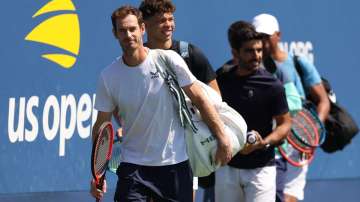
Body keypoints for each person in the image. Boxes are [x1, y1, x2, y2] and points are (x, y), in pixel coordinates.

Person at [89, 5, 232, 202]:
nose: (128, 35)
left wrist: (222, 136)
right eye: (122, 30)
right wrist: (98, 174)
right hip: (133, 169)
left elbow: (200, 99)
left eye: (132, 29)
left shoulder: (169, 60)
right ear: (115, 34)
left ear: (142, 29)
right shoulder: (108, 76)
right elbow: (101, 126)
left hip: (175, 165)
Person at [252, 13, 330, 202]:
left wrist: (310, 136)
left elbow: (323, 101)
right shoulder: (250, 66)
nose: (262, 41)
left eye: (266, 36)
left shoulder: (297, 63)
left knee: (287, 199)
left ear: (278, 35)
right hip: (270, 148)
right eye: (258, 37)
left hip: (297, 147)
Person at [214, 20, 292, 202]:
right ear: (235, 54)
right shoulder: (221, 80)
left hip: (261, 169)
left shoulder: (273, 85)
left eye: (259, 50)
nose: (256, 56)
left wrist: (263, 142)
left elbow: (285, 123)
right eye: (249, 51)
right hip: (227, 167)